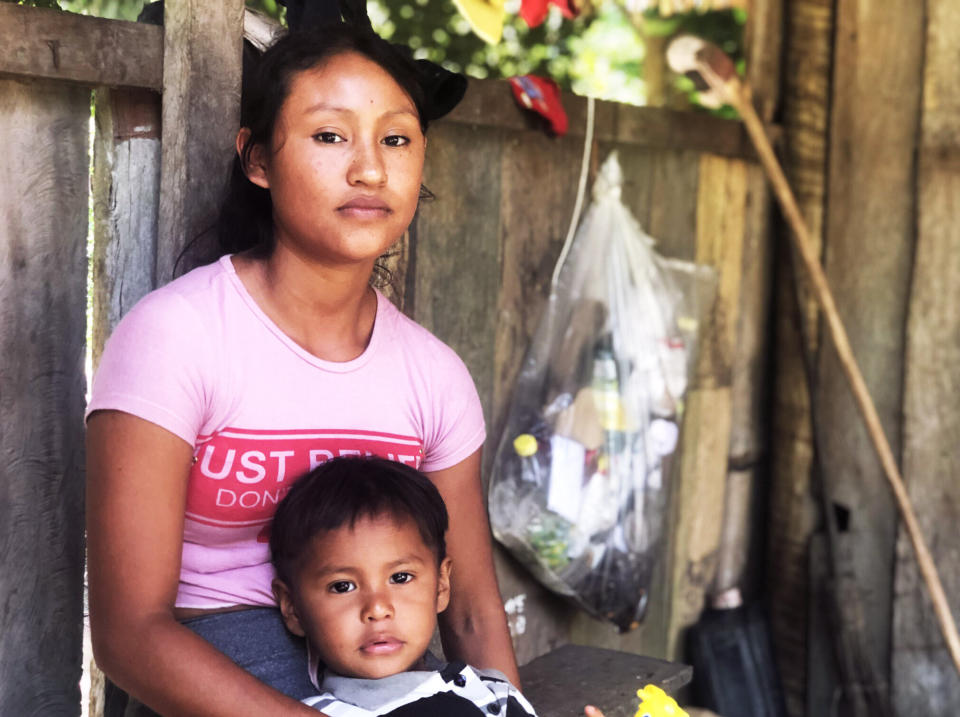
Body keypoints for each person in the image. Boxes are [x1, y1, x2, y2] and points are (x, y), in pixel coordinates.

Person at [85, 19, 518, 717]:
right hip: (212, 677)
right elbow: (129, 634)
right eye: (329, 136)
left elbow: (469, 616)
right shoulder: (179, 337)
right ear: (257, 161)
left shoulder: (432, 378)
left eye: (397, 139)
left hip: (385, 681)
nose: (370, 168)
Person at [269, 456, 539, 716]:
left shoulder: (496, 692)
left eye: (400, 578)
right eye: (342, 586)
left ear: (441, 585)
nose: (377, 608)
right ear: (293, 608)